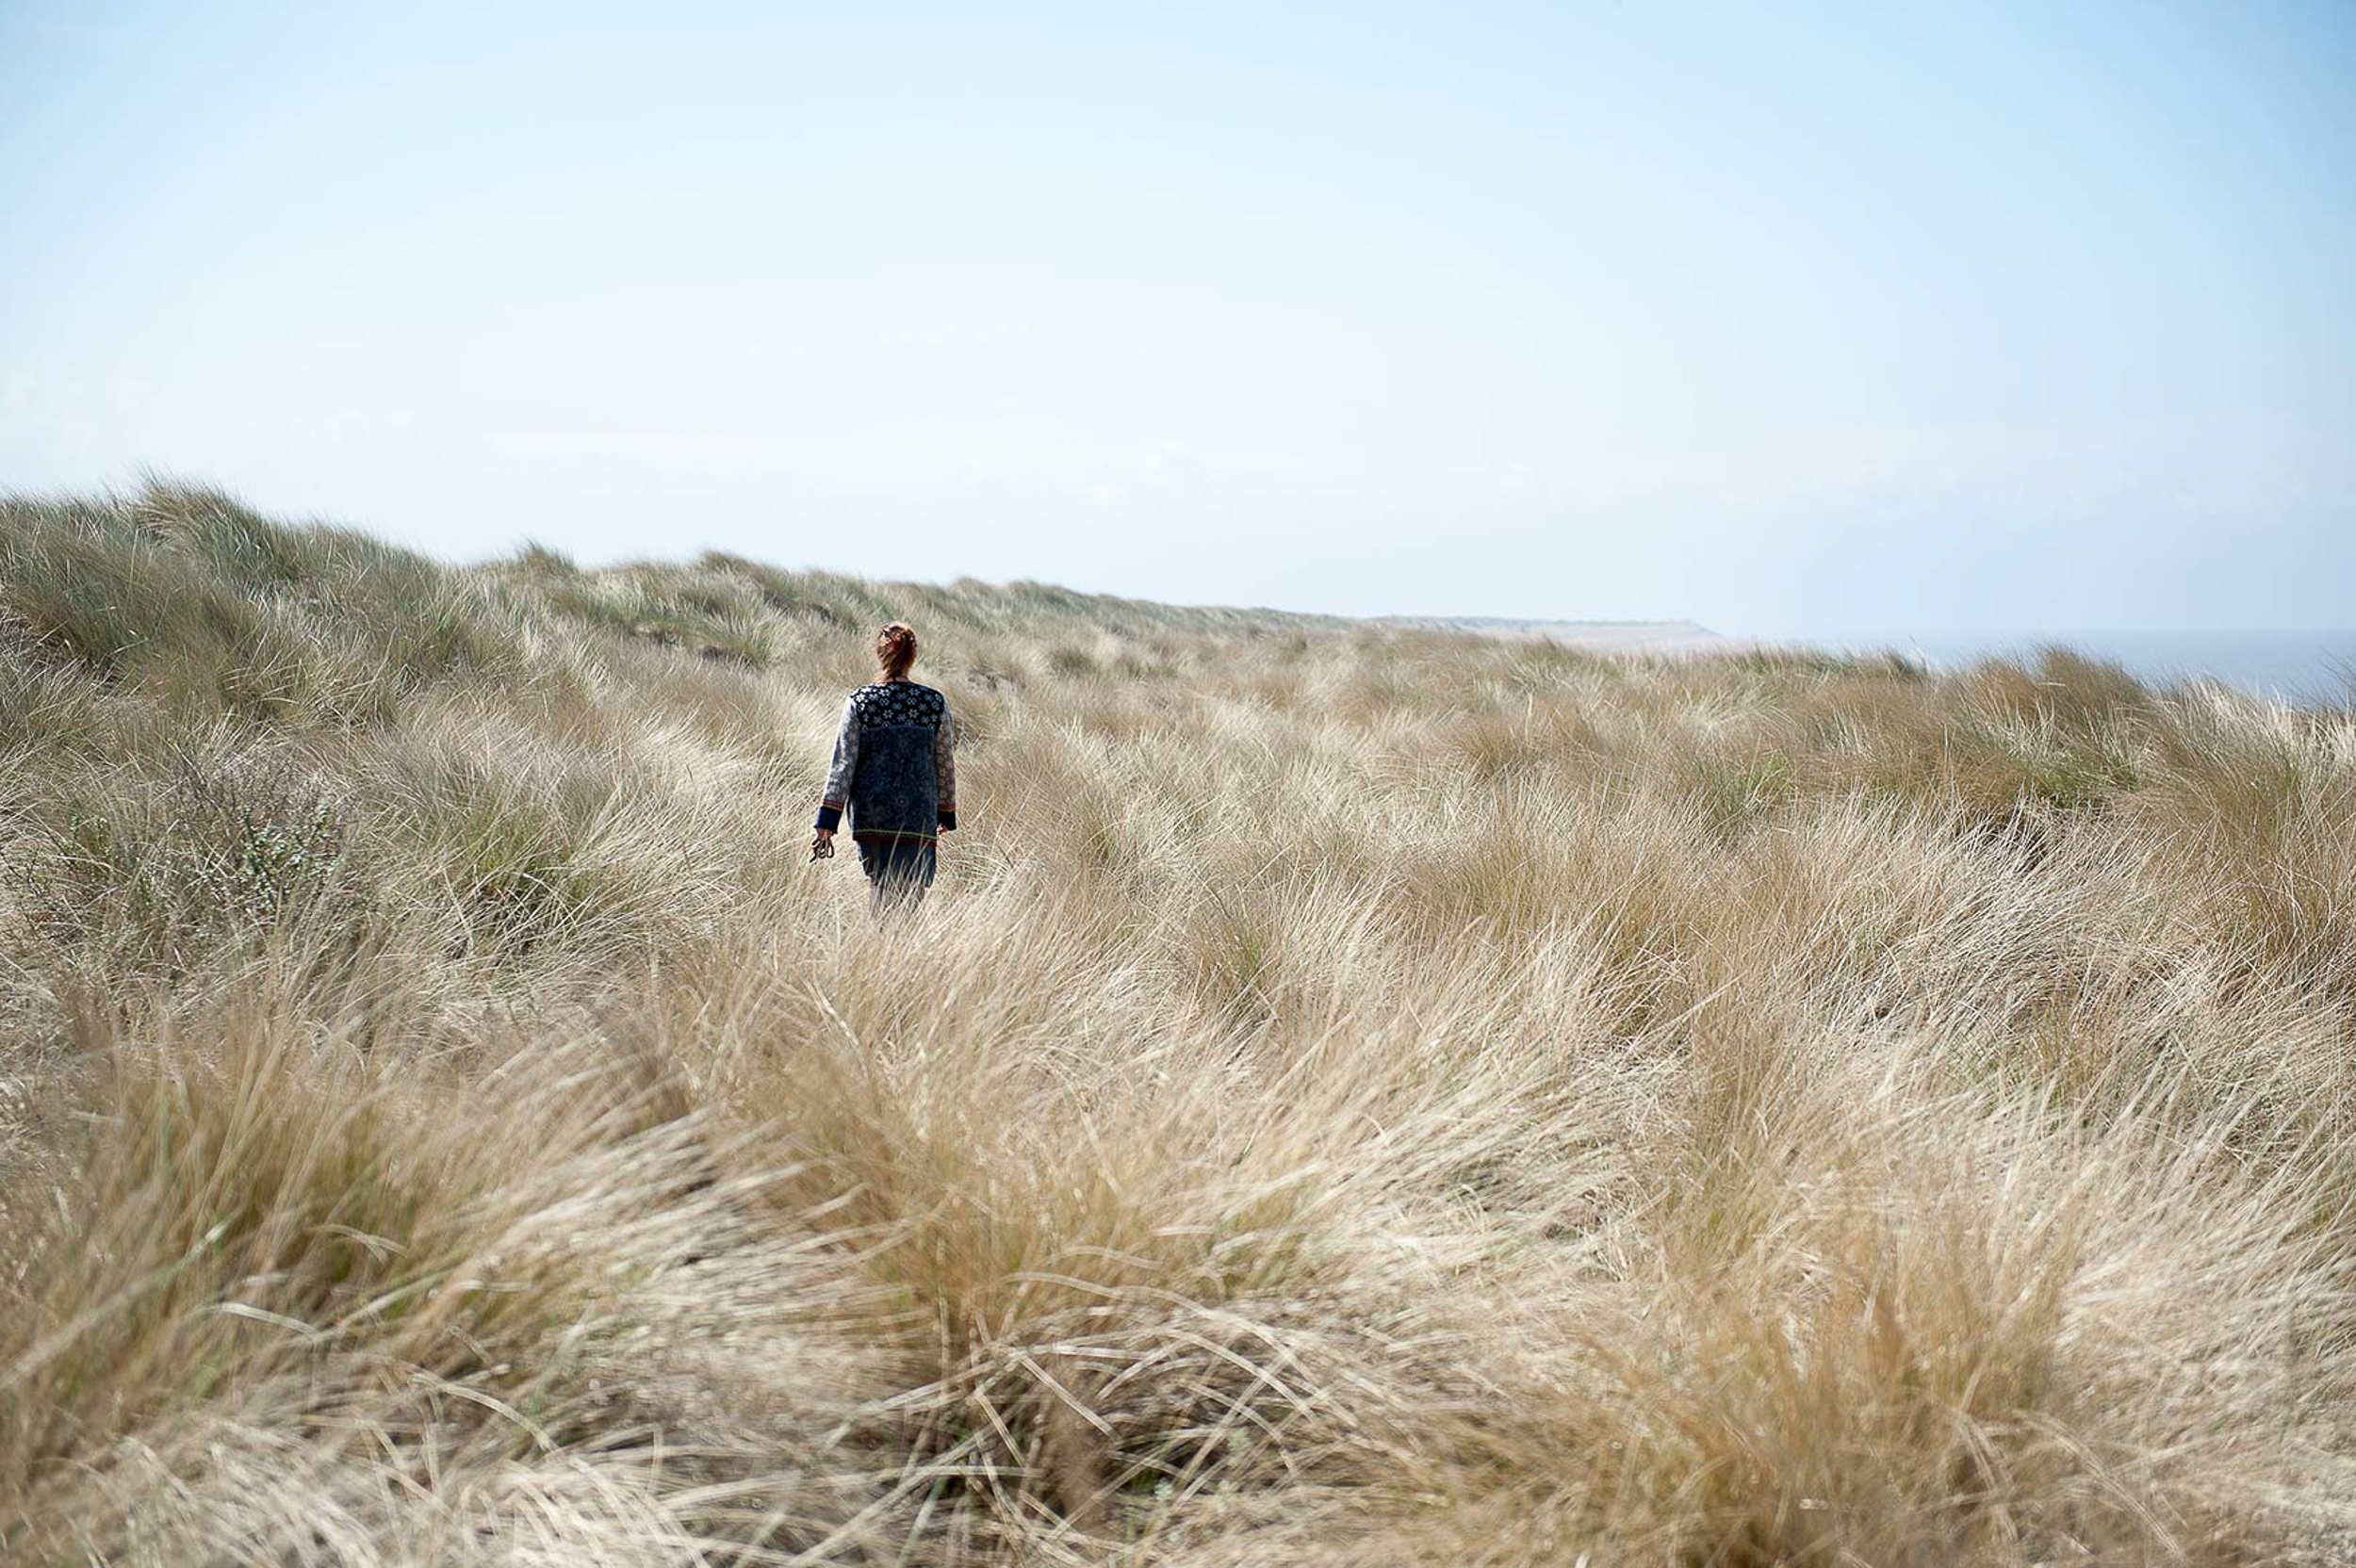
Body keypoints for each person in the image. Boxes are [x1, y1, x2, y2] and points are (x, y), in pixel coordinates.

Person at [811, 622, 957, 914]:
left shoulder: (860, 702)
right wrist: (946, 811)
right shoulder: (933, 703)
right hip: (918, 816)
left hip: (871, 818)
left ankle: (881, 947)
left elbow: (843, 763)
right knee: (911, 892)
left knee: (880, 886)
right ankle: (898, 951)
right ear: (912, 657)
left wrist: (828, 820)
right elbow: (944, 761)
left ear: (880, 655)